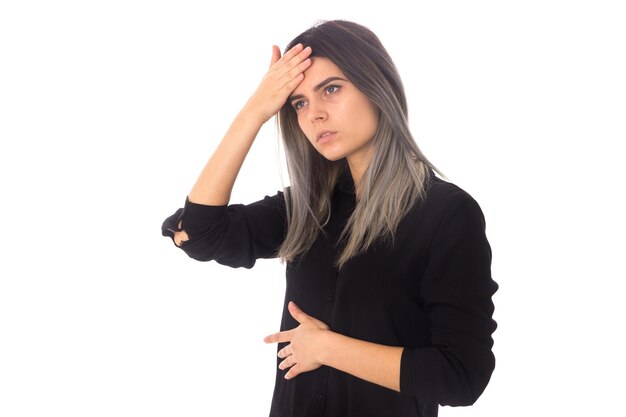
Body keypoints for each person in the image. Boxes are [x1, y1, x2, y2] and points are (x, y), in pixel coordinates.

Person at [162, 19, 498, 417]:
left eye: (331, 89)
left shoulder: (447, 214)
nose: (314, 115)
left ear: (377, 87)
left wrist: (327, 348)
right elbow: (201, 231)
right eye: (299, 103)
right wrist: (255, 111)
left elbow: (461, 376)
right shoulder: (307, 209)